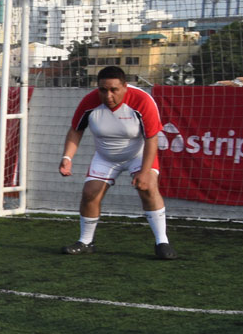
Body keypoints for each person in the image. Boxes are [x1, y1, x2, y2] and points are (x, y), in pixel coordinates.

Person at [59, 65, 176, 260]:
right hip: (105, 156)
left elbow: (152, 138)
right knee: (89, 194)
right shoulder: (90, 102)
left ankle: (162, 242)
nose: (108, 95)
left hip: (138, 154)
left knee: (147, 189)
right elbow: (76, 130)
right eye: (103, 90)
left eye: (114, 90)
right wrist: (67, 158)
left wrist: (145, 172)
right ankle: (86, 242)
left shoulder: (142, 101)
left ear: (125, 87)